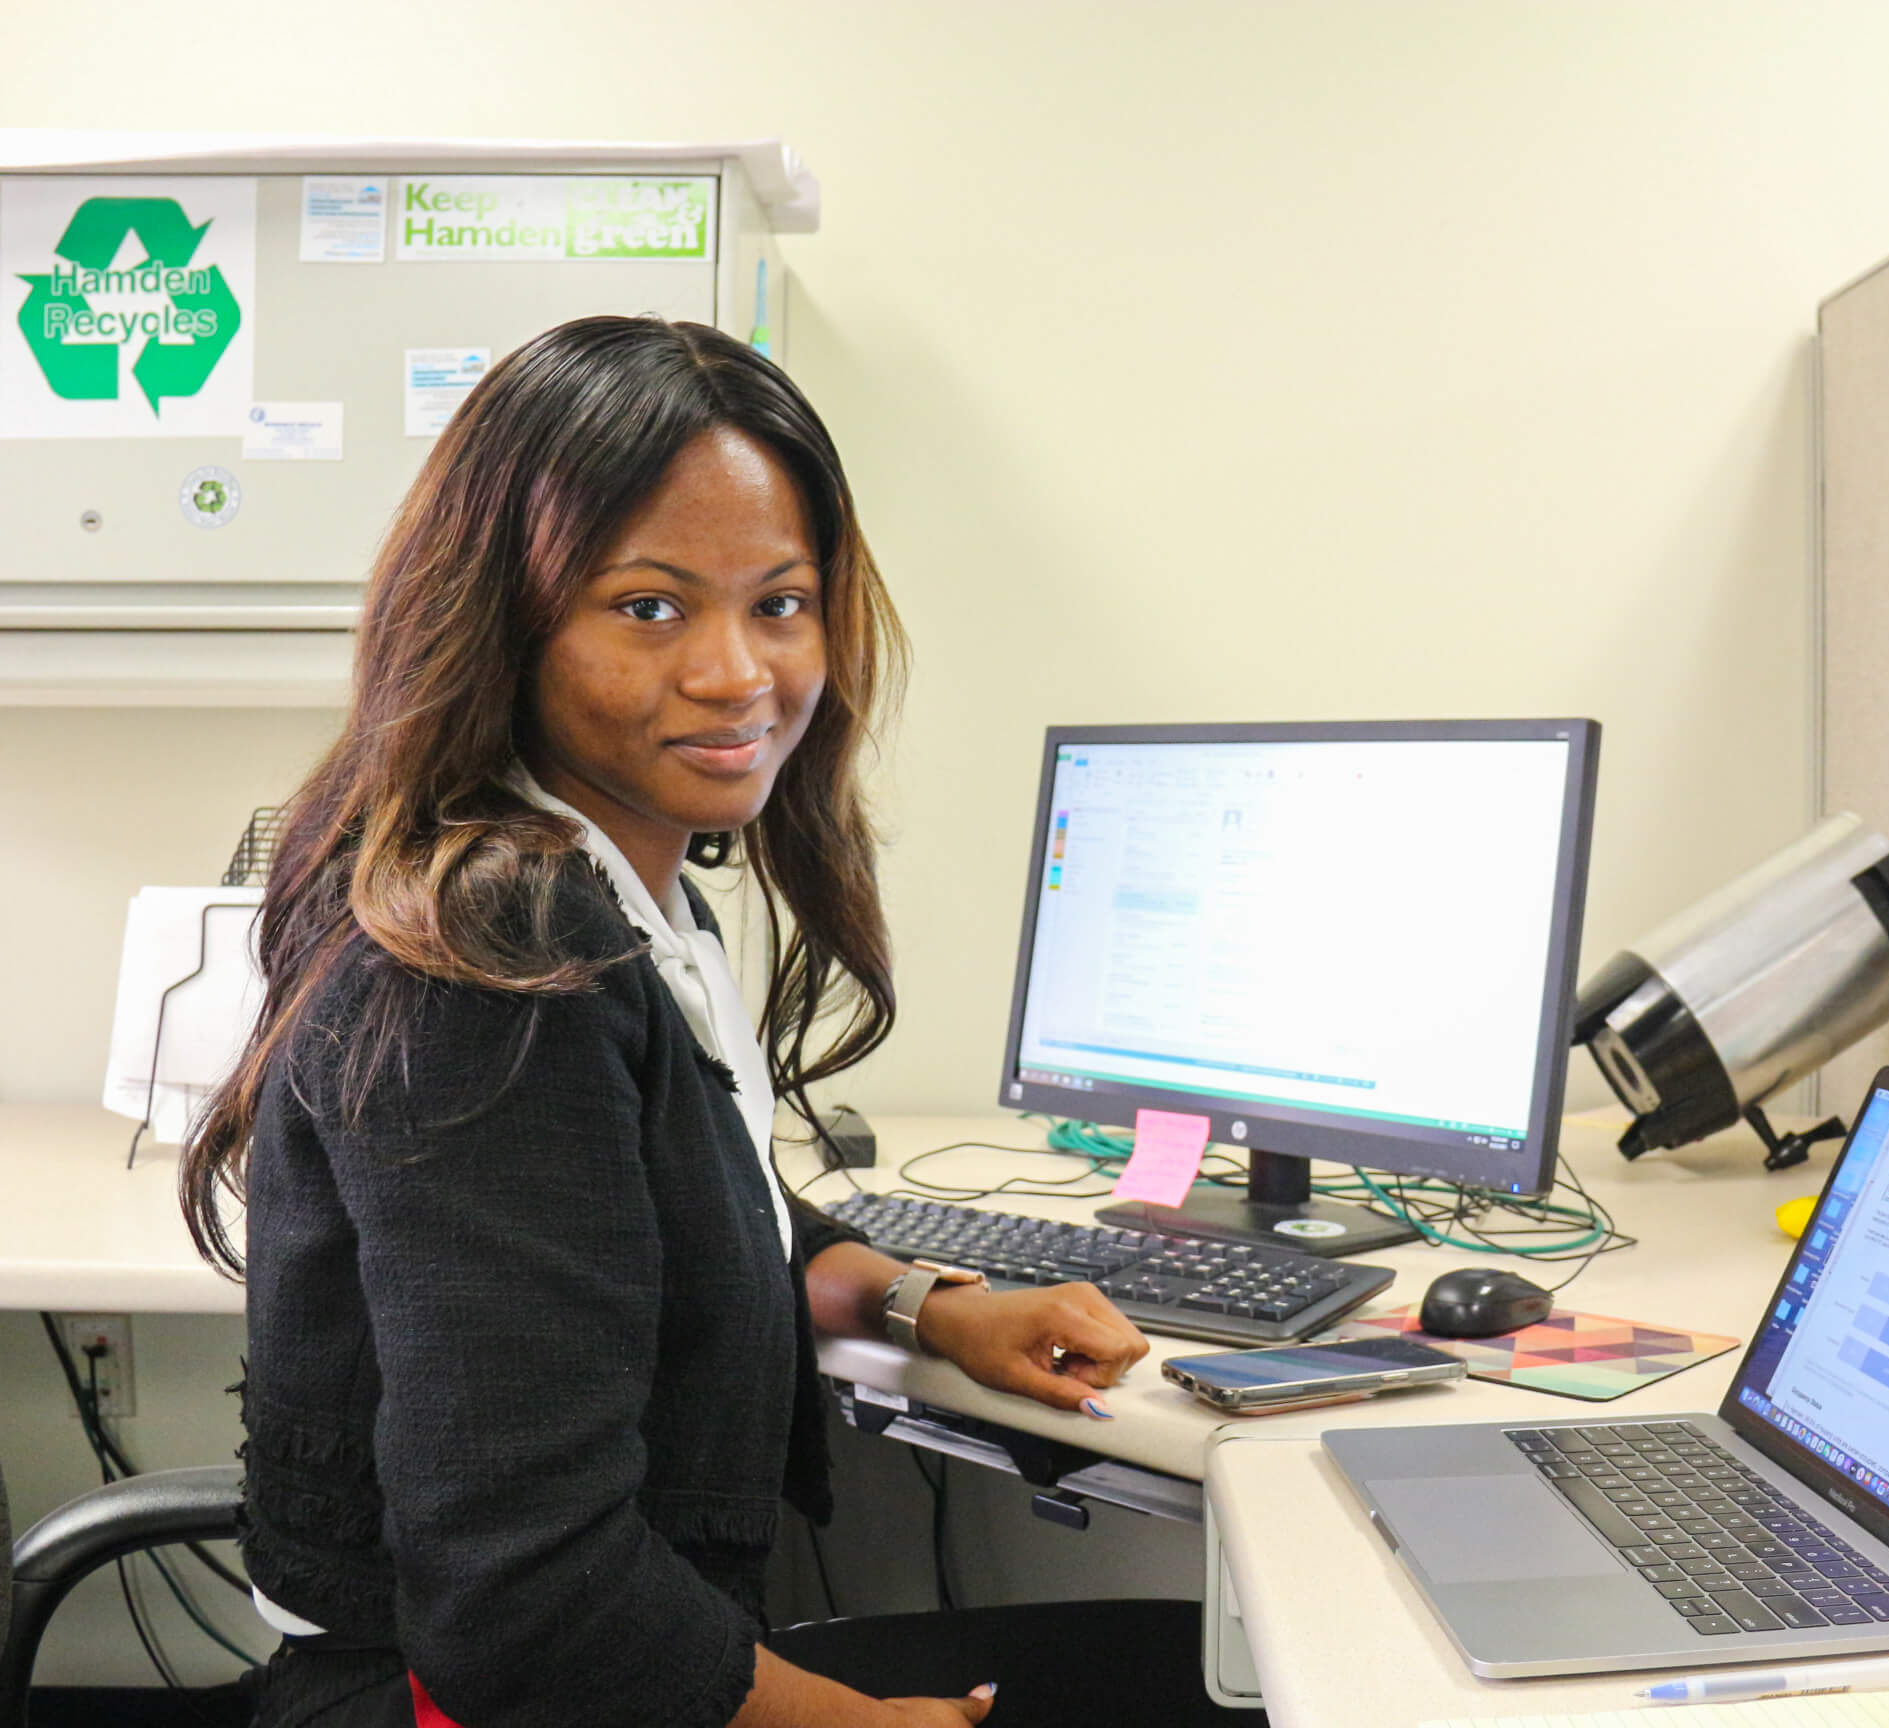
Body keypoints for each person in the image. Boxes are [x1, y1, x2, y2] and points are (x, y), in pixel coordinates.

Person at [180, 316, 1241, 1728]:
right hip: (478, 1700)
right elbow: (527, 1602)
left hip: (590, 1672)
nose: (738, 673)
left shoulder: (617, 890)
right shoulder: (499, 959)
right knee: (1210, 1683)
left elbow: (681, 1219)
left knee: (1195, 1668)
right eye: (650, 607)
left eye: (781, 603)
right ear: (507, 620)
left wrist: (931, 1303)